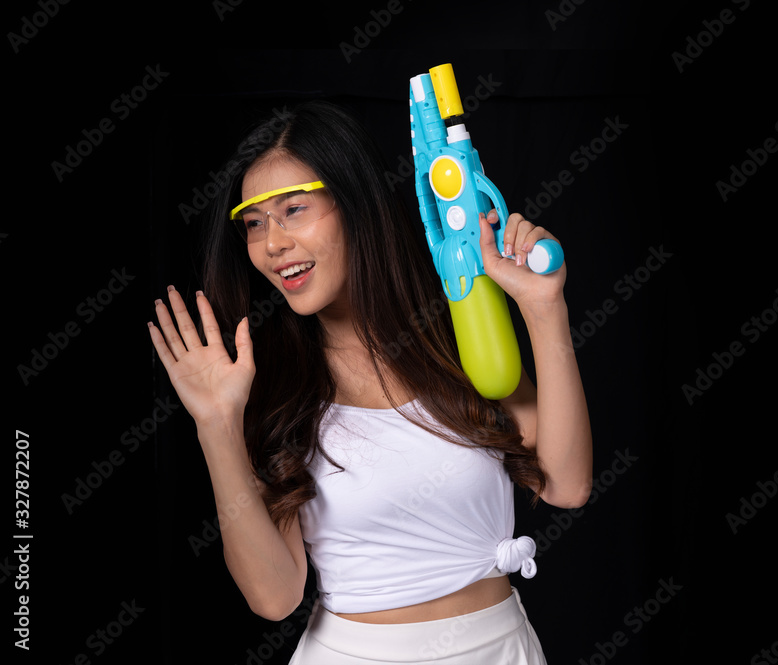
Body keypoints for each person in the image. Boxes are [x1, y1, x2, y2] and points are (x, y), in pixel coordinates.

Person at [147, 100, 592, 663]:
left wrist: (545, 306)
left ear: (355, 204)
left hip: (501, 648)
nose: (273, 244)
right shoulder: (270, 388)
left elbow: (567, 484)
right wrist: (215, 423)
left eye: (295, 210)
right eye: (255, 224)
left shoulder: (455, 335)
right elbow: (275, 597)